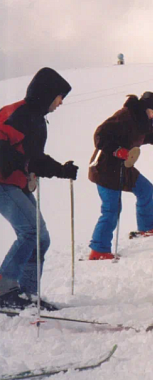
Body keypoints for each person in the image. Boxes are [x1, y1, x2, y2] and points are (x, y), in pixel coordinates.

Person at [0, 67, 78, 310]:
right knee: (31, 232)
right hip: (3, 182)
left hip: (16, 182)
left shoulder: (35, 118)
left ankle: (28, 293)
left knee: (40, 238)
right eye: (59, 96)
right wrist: (22, 161)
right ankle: (4, 291)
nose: (61, 102)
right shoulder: (15, 114)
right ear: (47, 94)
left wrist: (61, 169)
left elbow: (35, 158)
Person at [87, 92, 153, 260]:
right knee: (111, 210)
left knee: (145, 189)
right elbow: (100, 136)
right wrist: (115, 150)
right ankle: (99, 250)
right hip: (105, 169)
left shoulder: (141, 119)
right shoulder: (125, 116)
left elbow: (141, 137)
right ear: (144, 108)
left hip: (123, 166)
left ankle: (148, 226)